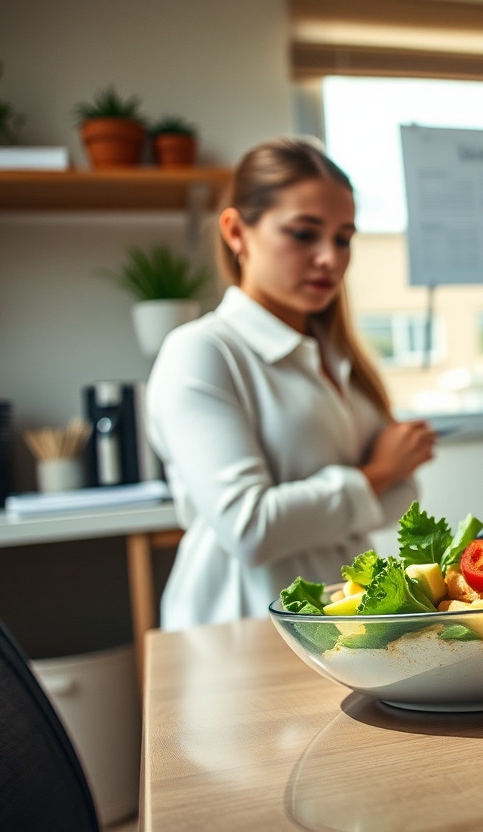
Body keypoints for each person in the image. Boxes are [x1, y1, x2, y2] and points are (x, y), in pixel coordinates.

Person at [146, 137, 436, 629]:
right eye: (304, 234)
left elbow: (399, 502)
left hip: (345, 616)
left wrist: (383, 477)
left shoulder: (337, 356)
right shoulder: (202, 352)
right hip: (241, 625)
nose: (330, 258)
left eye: (343, 238)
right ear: (236, 232)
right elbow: (251, 529)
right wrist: (376, 473)